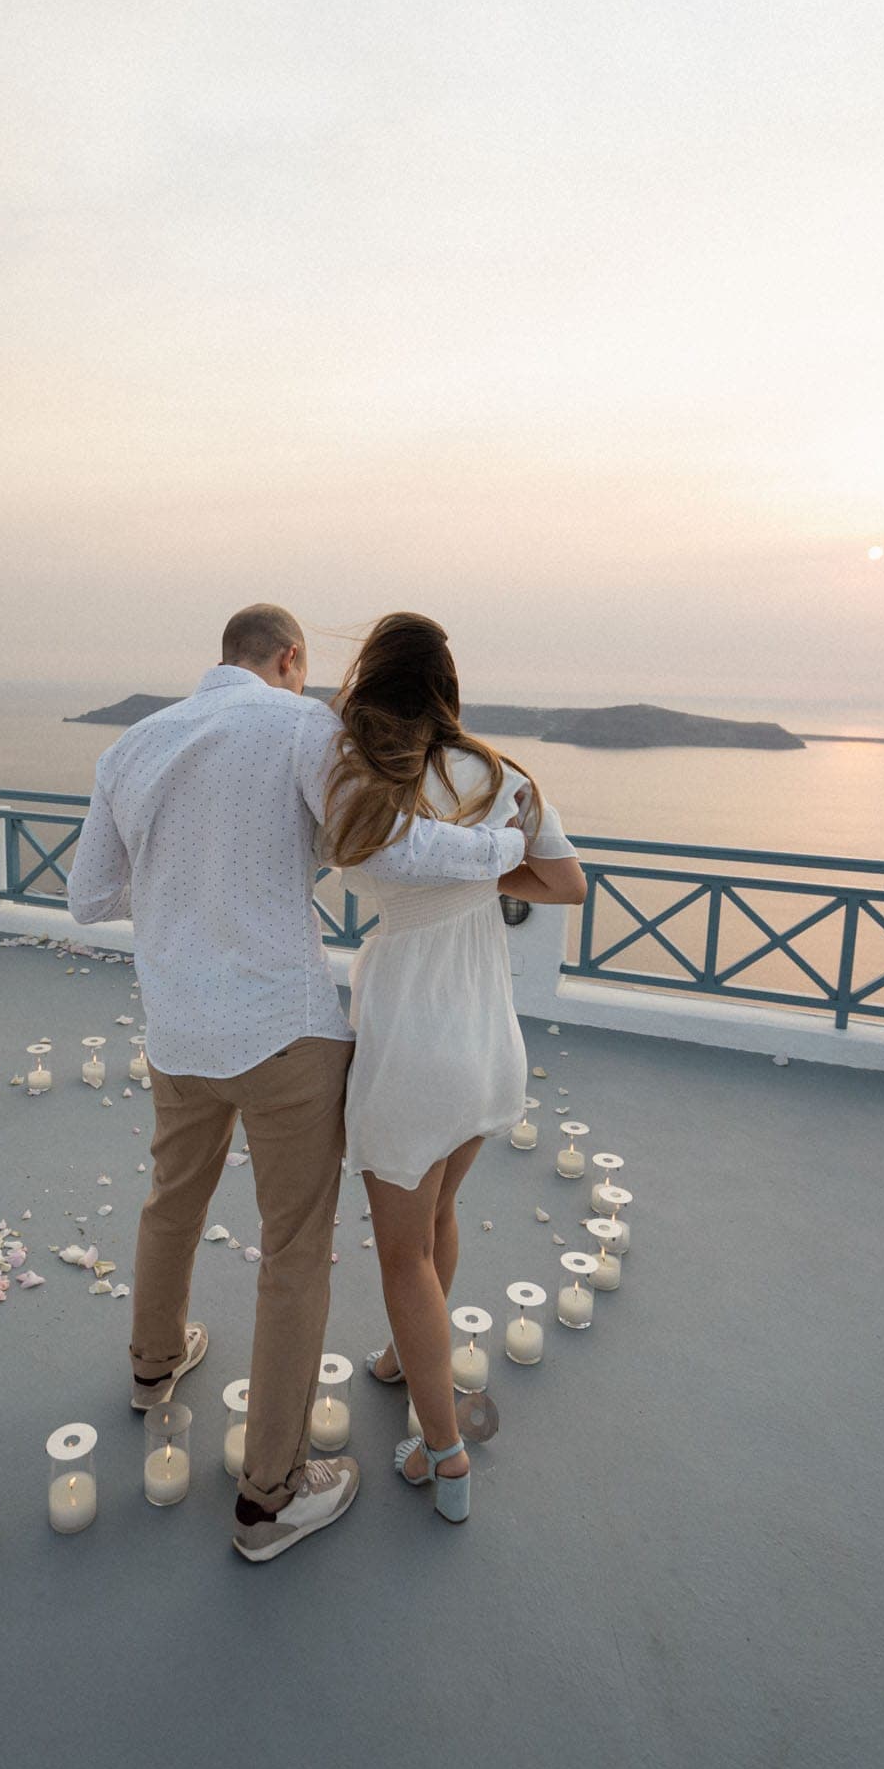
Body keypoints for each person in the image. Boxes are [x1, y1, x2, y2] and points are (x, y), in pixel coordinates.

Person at [65, 603, 530, 1562]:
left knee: (172, 1203)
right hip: (282, 1033)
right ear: (289, 660)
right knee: (291, 1256)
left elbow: (89, 898)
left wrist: (183, 886)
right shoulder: (301, 725)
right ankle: (270, 1497)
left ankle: (154, 1369)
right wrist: (499, 848)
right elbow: (387, 845)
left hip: (178, 1030)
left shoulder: (134, 746)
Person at [324, 612, 587, 1524]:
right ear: (446, 686)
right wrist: (482, 882)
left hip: (411, 1029)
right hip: (486, 1031)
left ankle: (442, 1454)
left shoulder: (364, 781)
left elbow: (338, 861)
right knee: (439, 1210)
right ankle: (407, 1355)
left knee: (401, 1246)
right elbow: (566, 883)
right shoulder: (503, 776)